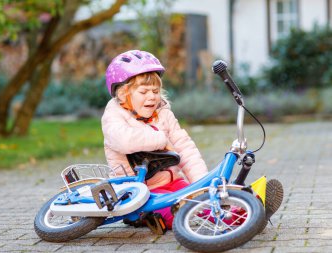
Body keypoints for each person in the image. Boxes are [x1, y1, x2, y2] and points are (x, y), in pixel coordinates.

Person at [101, 49, 283, 230]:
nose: (152, 96)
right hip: (140, 191)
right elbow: (124, 141)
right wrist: (161, 140)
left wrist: (202, 184)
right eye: (144, 92)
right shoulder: (114, 116)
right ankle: (147, 216)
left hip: (172, 183)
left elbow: (186, 149)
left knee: (201, 199)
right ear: (124, 94)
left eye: (156, 91)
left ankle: (246, 213)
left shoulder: (163, 115)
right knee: (183, 210)